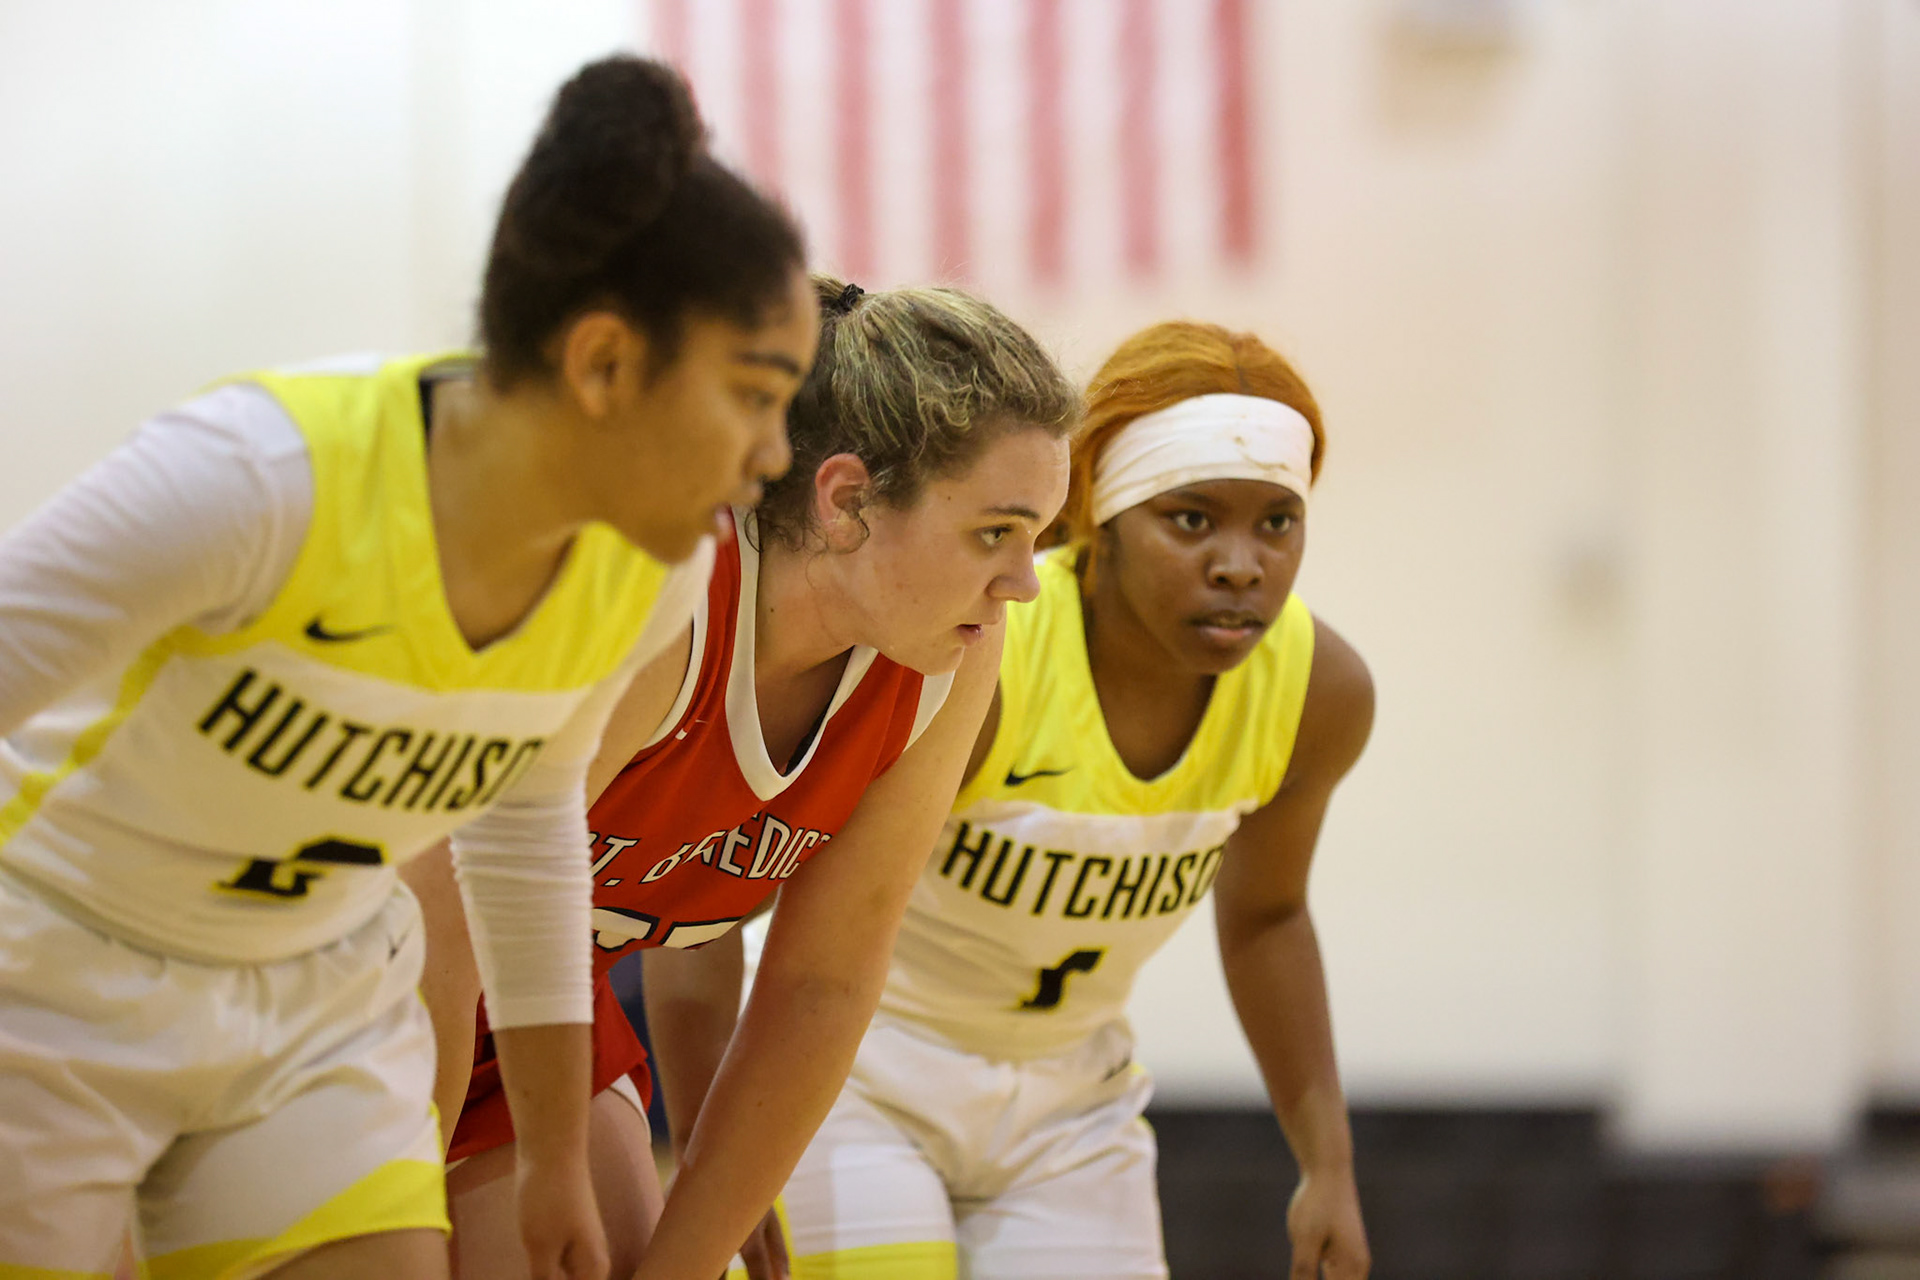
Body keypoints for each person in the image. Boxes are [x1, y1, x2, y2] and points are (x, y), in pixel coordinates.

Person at [0, 55, 814, 1280]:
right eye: (755, 394)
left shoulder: (651, 575)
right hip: (58, 971)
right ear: (601, 363)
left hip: (318, 993)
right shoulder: (257, 478)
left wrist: (550, 1148)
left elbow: (528, 821)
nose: (774, 452)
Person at [405, 276, 1079, 1280]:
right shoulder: (663, 593)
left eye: (1039, 539)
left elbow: (822, 980)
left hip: (535, 1002)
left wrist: (693, 1246)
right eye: (997, 532)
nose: (1025, 581)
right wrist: (395, 1201)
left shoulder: (954, 650)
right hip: (344, 963)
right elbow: (443, 913)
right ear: (847, 499)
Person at [750, 320, 1374, 1279]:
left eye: (1276, 522)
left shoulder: (1316, 692)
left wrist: (1326, 1164)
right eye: (1193, 519)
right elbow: (806, 901)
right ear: (1103, 520)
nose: (1241, 565)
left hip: (1074, 1098)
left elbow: (1270, 916)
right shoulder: (989, 654)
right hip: (869, 1067)